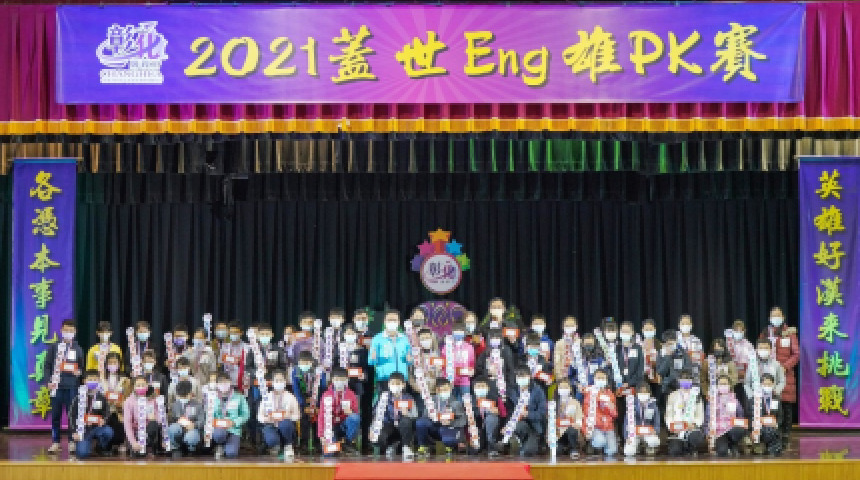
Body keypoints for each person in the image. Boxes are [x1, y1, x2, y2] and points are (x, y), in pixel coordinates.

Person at [759, 306, 798, 448]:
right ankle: (769, 434)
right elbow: (759, 350)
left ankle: (785, 435)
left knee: (786, 405)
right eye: (773, 315)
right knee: (768, 405)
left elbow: (796, 354)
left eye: (778, 315)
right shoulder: (765, 332)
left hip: (785, 374)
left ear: (783, 317)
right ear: (769, 318)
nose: (776, 317)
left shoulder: (790, 333)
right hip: (767, 375)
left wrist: (784, 366)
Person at [45, 319, 84, 454]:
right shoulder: (54, 347)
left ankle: (72, 442)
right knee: (55, 416)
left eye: (71, 331)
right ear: (61, 330)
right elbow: (47, 365)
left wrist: (79, 372)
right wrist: (48, 381)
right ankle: (56, 442)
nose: (68, 333)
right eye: (66, 330)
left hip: (72, 387)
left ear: (75, 332)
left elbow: (81, 368)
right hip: (56, 387)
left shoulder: (78, 348)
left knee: (71, 416)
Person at [371, 372, 418, 459]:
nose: (395, 386)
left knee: (406, 421)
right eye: (393, 383)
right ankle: (389, 446)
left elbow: (415, 414)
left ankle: (406, 447)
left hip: (403, 427)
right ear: (388, 384)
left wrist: (408, 414)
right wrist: (373, 429)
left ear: (403, 385)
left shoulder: (409, 398)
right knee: (377, 438)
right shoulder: (383, 397)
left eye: (398, 383)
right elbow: (376, 415)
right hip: (388, 425)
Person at [316, 367, 361, 456]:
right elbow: (321, 416)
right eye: (337, 379)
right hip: (330, 427)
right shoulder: (326, 395)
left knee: (355, 418)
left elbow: (356, 413)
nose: (339, 382)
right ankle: (336, 445)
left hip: (344, 425)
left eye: (342, 379)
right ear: (332, 380)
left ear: (346, 380)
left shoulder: (351, 394)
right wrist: (321, 435)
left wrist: (350, 412)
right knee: (329, 454)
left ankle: (348, 443)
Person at [69, 370, 114, 459]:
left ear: (98, 381)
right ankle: (85, 445)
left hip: (97, 427)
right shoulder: (78, 397)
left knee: (108, 431)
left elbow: (107, 412)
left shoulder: (101, 397)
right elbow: (72, 416)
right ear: (84, 381)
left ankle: (100, 447)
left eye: (95, 380)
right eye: (90, 379)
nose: (93, 382)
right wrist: (74, 431)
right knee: (82, 454)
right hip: (83, 430)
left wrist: (104, 420)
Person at [416, 378, 466, 458]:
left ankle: (450, 446)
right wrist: (432, 417)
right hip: (434, 427)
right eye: (441, 390)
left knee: (449, 440)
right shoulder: (431, 401)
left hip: (448, 428)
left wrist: (451, 422)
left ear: (450, 389)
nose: (444, 392)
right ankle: (423, 446)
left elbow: (463, 420)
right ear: (437, 390)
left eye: (446, 389)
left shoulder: (456, 403)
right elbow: (424, 416)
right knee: (420, 422)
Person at [505, 366, 547, 457]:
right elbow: (509, 411)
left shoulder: (538, 391)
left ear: (529, 376)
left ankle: (535, 442)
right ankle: (520, 441)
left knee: (527, 452)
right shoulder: (512, 391)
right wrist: (507, 425)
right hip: (519, 424)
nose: (521, 379)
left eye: (524, 376)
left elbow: (542, 412)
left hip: (534, 427)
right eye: (519, 377)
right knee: (518, 426)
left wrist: (528, 414)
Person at [259, 369, 301, 459]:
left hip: (285, 425)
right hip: (271, 424)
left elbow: (297, 416)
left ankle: (288, 445)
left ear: (285, 382)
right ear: (272, 382)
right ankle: (276, 445)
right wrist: (266, 419)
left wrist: (287, 416)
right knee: (272, 440)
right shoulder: (267, 397)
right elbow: (259, 416)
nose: (279, 382)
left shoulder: (291, 397)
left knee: (285, 424)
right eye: (276, 380)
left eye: (281, 380)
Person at [292, 350, 327, 454]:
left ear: (311, 362)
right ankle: (304, 444)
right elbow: (296, 389)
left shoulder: (320, 372)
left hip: (317, 398)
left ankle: (317, 443)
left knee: (317, 420)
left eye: (307, 363)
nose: (304, 365)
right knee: (304, 420)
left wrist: (318, 405)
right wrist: (303, 404)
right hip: (303, 398)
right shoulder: (295, 371)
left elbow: (323, 388)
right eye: (302, 363)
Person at [368, 309, 412, 393]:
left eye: (394, 320)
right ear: (384, 321)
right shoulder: (377, 339)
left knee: (401, 401)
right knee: (384, 401)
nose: (392, 322)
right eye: (389, 320)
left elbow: (410, 361)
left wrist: (409, 359)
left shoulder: (405, 338)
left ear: (398, 322)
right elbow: (371, 361)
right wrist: (375, 358)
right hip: (384, 378)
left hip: (401, 378)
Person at [665, 369, 705, 456]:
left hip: (691, 428)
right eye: (683, 379)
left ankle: (691, 448)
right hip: (677, 428)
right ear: (679, 380)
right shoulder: (672, 395)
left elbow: (700, 415)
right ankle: (683, 447)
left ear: (691, 381)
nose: (686, 381)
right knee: (674, 451)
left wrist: (694, 424)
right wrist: (672, 426)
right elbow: (669, 414)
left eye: (688, 379)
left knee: (696, 437)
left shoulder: (696, 395)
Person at [212, 371, 250, 459]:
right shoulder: (213, 397)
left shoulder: (239, 397)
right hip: (219, 428)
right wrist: (215, 423)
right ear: (217, 384)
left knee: (231, 454)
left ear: (230, 382)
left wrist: (234, 422)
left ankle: (228, 446)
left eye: (226, 382)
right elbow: (209, 415)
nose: (223, 384)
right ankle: (220, 445)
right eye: (221, 382)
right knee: (219, 434)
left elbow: (246, 414)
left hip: (234, 429)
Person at [581, 368, 618, 457]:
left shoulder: (610, 394)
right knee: (600, 442)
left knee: (612, 451)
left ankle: (604, 446)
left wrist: (611, 407)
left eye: (603, 378)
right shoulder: (589, 393)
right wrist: (586, 429)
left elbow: (615, 414)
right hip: (595, 426)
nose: (600, 380)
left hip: (608, 427)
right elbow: (586, 412)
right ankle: (591, 443)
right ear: (594, 379)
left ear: (606, 380)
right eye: (598, 378)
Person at [123, 375, 162, 457]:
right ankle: (139, 447)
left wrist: (154, 418)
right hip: (135, 433)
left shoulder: (153, 399)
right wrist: (133, 442)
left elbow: (160, 418)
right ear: (133, 387)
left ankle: (148, 446)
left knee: (154, 424)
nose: (141, 387)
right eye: (138, 385)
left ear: (147, 386)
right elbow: (127, 424)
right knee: (136, 455)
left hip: (149, 431)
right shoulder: (128, 401)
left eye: (143, 385)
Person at [708, 375, 747, 457]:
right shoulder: (712, 399)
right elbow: (707, 417)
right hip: (718, 431)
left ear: (729, 385)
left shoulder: (734, 399)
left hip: (732, 429)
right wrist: (707, 433)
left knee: (739, 430)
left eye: (725, 384)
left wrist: (741, 424)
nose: (723, 386)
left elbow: (740, 414)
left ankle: (733, 444)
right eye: (721, 384)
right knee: (722, 452)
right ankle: (726, 446)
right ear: (717, 386)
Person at [100, 352, 130, 453]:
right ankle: (105, 444)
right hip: (105, 410)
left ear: (119, 364)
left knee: (119, 421)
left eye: (115, 362)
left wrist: (121, 403)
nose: (112, 365)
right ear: (106, 364)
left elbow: (128, 397)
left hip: (119, 410)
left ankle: (121, 443)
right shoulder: (101, 379)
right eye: (110, 362)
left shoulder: (125, 380)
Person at [471, 376, 508, 457]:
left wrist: (497, 412)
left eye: (483, 386)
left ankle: (492, 446)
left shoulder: (495, 398)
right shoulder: (470, 401)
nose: (480, 389)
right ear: (474, 389)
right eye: (478, 386)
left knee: (492, 418)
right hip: (477, 431)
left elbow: (504, 415)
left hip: (493, 429)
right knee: (475, 451)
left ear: (487, 388)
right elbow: (467, 419)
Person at [167, 380, 204, 458]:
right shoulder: (175, 405)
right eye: (181, 396)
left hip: (192, 429)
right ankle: (176, 448)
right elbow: (172, 419)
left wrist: (194, 425)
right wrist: (176, 421)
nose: (183, 398)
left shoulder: (198, 405)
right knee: (172, 428)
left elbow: (202, 421)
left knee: (192, 436)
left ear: (190, 393)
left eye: (185, 396)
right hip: (179, 428)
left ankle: (191, 449)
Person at [622, 382, 661, 457]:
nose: (643, 394)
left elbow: (657, 421)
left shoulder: (653, 404)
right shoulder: (631, 404)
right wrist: (627, 437)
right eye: (641, 392)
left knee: (655, 441)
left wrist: (655, 431)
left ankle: (648, 446)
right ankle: (637, 447)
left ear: (649, 393)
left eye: (645, 392)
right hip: (634, 432)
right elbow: (626, 421)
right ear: (637, 393)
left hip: (648, 432)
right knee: (628, 452)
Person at [750, 373, 784, 456]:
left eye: (769, 384)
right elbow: (749, 415)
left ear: (773, 384)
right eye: (765, 384)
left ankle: (771, 448)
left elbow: (780, 416)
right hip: (758, 427)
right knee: (768, 431)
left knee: (772, 431)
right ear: (761, 385)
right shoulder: (754, 398)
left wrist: (776, 424)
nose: (767, 386)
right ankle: (763, 446)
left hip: (773, 427)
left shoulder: (776, 398)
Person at [656, 330, 692, 404]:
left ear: (676, 341)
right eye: (668, 344)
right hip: (666, 388)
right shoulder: (661, 353)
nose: (671, 345)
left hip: (681, 386)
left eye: (672, 343)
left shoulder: (683, 352)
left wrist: (680, 378)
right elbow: (660, 371)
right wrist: (667, 357)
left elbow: (688, 368)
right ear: (664, 344)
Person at [443, 322, 476, 400]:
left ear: (464, 333)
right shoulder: (447, 346)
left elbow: (471, 363)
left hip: (465, 382)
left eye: (460, 331)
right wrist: (446, 377)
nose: (458, 333)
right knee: (451, 403)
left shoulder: (469, 347)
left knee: (465, 403)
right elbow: (443, 364)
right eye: (456, 331)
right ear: (452, 332)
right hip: (450, 381)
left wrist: (471, 371)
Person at [726, 320, 755, 408]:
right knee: (733, 403)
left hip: (744, 379)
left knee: (744, 402)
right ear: (732, 331)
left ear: (744, 331)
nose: (738, 332)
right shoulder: (728, 344)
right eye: (736, 330)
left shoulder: (748, 345)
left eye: (740, 330)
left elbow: (753, 361)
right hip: (731, 379)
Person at [553, 379, 583, 459]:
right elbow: (550, 418)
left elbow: (579, 416)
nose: (563, 389)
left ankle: (574, 449)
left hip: (571, 429)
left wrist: (577, 424)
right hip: (558, 432)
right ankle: (565, 447)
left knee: (571, 430)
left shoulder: (575, 402)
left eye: (566, 387)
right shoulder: (554, 403)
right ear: (558, 389)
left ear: (570, 389)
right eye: (561, 387)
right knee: (558, 451)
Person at [638, 319, 662, 401]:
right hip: (643, 379)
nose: (648, 331)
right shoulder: (638, 346)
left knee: (656, 401)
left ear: (655, 330)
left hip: (656, 378)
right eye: (646, 329)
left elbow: (663, 362)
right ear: (642, 330)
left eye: (650, 329)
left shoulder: (660, 345)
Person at [552, 316, 580, 384]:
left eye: (571, 325)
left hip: (579, 376)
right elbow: (557, 361)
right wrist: (559, 377)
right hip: (563, 376)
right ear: (563, 327)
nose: (569, 328)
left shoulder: (581, 342)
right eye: (567, 326)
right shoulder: (559, 343)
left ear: (576, 326)